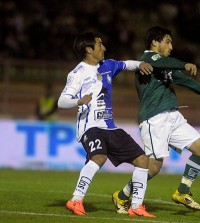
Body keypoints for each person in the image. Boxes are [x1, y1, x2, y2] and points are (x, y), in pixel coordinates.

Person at [112, 26, 200, 213]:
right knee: (154, 167)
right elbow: (163, 63)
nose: (171, 46)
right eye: (168, 41)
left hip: (173, 116)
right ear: (155, 43)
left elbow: (188, 82)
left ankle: (183, 191)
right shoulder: (147, 59)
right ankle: (122, 195)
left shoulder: (166, 65)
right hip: (154, 118)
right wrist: (183, 64)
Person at [57, 32, 155, 218]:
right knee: (99, 157)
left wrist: (140, 64)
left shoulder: (107, 65)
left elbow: (127, 64)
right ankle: (76, 200)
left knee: (143, 160)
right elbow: (62, 102)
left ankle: (136, 206)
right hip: (90, 127)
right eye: (99, 44)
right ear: (88, 49)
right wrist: (79, 101)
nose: (104, 47)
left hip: (110, 127)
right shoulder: (77, 73)